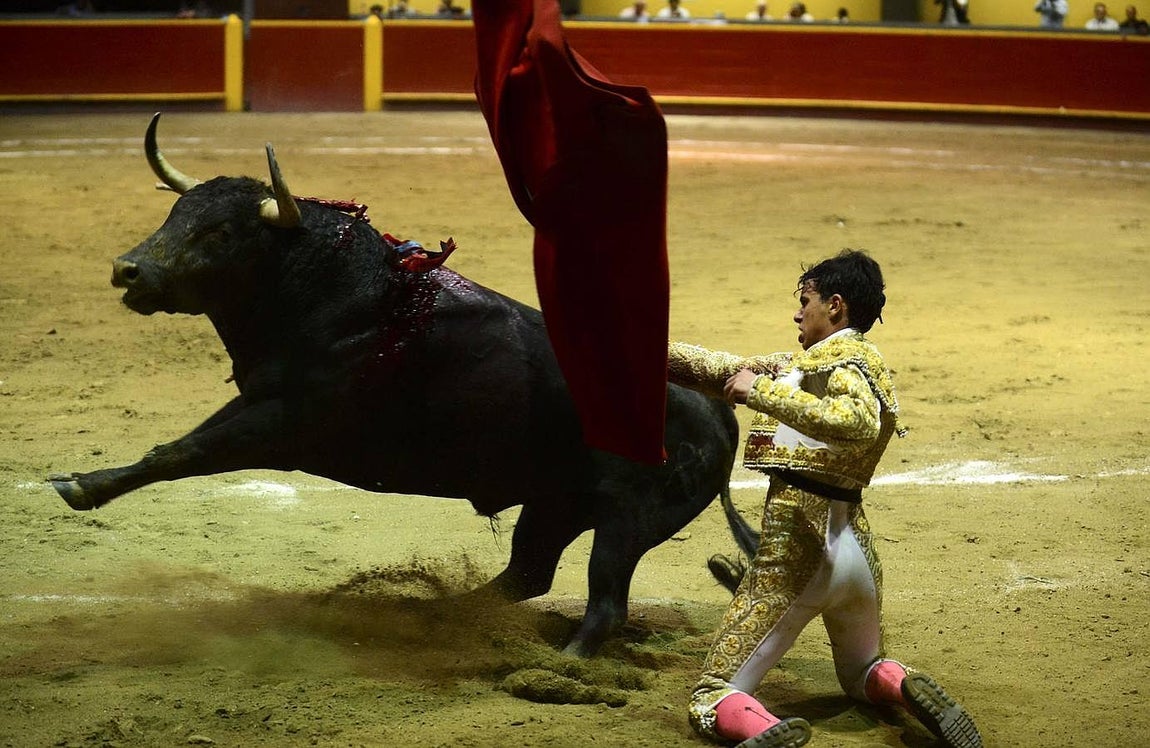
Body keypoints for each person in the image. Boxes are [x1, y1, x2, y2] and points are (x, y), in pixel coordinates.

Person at [670, 250, 982, 748]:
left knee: (712, 694)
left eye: (806, 301)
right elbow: (719, 369)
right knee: (863, 670)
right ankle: (898, 684)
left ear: (835, 306)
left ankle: (765, 730)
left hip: (798, 553)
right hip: (855, 555)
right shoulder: (810, 365)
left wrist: (760, 396)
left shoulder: (843, 365)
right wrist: (640, 347)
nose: (798, 313)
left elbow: (856, 421)